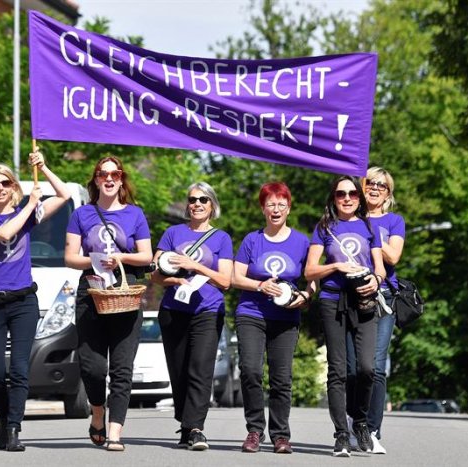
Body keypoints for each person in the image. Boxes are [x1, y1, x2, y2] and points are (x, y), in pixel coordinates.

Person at [0, 151, 71, 451]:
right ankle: (4, 418)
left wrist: (43, 167)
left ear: (14, 186)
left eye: (5, 183)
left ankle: (14, 427)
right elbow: (3, 234)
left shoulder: (27, 214)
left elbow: (64, 194)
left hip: (24, 301)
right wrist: (29, 204)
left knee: (19, 369)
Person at [64, 156, 152, 452]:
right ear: (96, 179)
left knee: (122, 368)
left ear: (122, 179)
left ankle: (115, 432)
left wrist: (121, 259)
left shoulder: (135, 214)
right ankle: (98, 412)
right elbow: (70, 257)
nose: (110, 178)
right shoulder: (82, 214)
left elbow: (146, 256)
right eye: (103, 174)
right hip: (90, 293)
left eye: (115, 174)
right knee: (93, 367)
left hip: (126, 294)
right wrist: (96, 260)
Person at [232, 182, 316, 454]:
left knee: (281, 378)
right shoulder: (252, 240)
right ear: (263, 209)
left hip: (285, 319)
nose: (276, 209)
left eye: (281, 204)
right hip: (251, 314)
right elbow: (235, 277)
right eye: (271, 204)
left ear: (289, 208)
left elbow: (311, 279)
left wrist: (307, 296)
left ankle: (280, 435)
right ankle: (254, 431)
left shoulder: (302, 241)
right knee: (251, 371)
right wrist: (259, 286)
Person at [304, 175, 386, 457]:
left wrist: (376, 280)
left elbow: (380, 268)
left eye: (352, 193)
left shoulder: (368, 226)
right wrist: (335, 266)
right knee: (337, 370)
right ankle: (341, 433)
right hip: (331, 300)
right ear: (334, 198)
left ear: (359, 198)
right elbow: (310, 271)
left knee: (366, 368)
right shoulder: (324, 227)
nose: (347, 198)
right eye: (341, 194)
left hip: (364, 300)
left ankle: (360, 421)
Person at [150, 182, 233, 451]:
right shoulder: (173, 233)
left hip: (207, 310)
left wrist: (194, 265)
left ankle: (196, 428)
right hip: (174, 310)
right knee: (179, 370)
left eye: (203, 200)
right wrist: (172, 279)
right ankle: (185, 424)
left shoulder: (221, 238)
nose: (197, 204)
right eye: (192, 200)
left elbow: (225, 280)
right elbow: (155, 273)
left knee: (200, 368)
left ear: (212, 205)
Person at [345, 167, 405, 454]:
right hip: (350, 295)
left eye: (382, 185)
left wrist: (368, 234)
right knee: (352, 367)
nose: (376, 187)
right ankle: (353, 419)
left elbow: (393, 256)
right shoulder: (347, 216)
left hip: (382, 298)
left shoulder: (394, 221)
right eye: (371, 183)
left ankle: (371, 429)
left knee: (376, 367)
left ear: (388, 192)